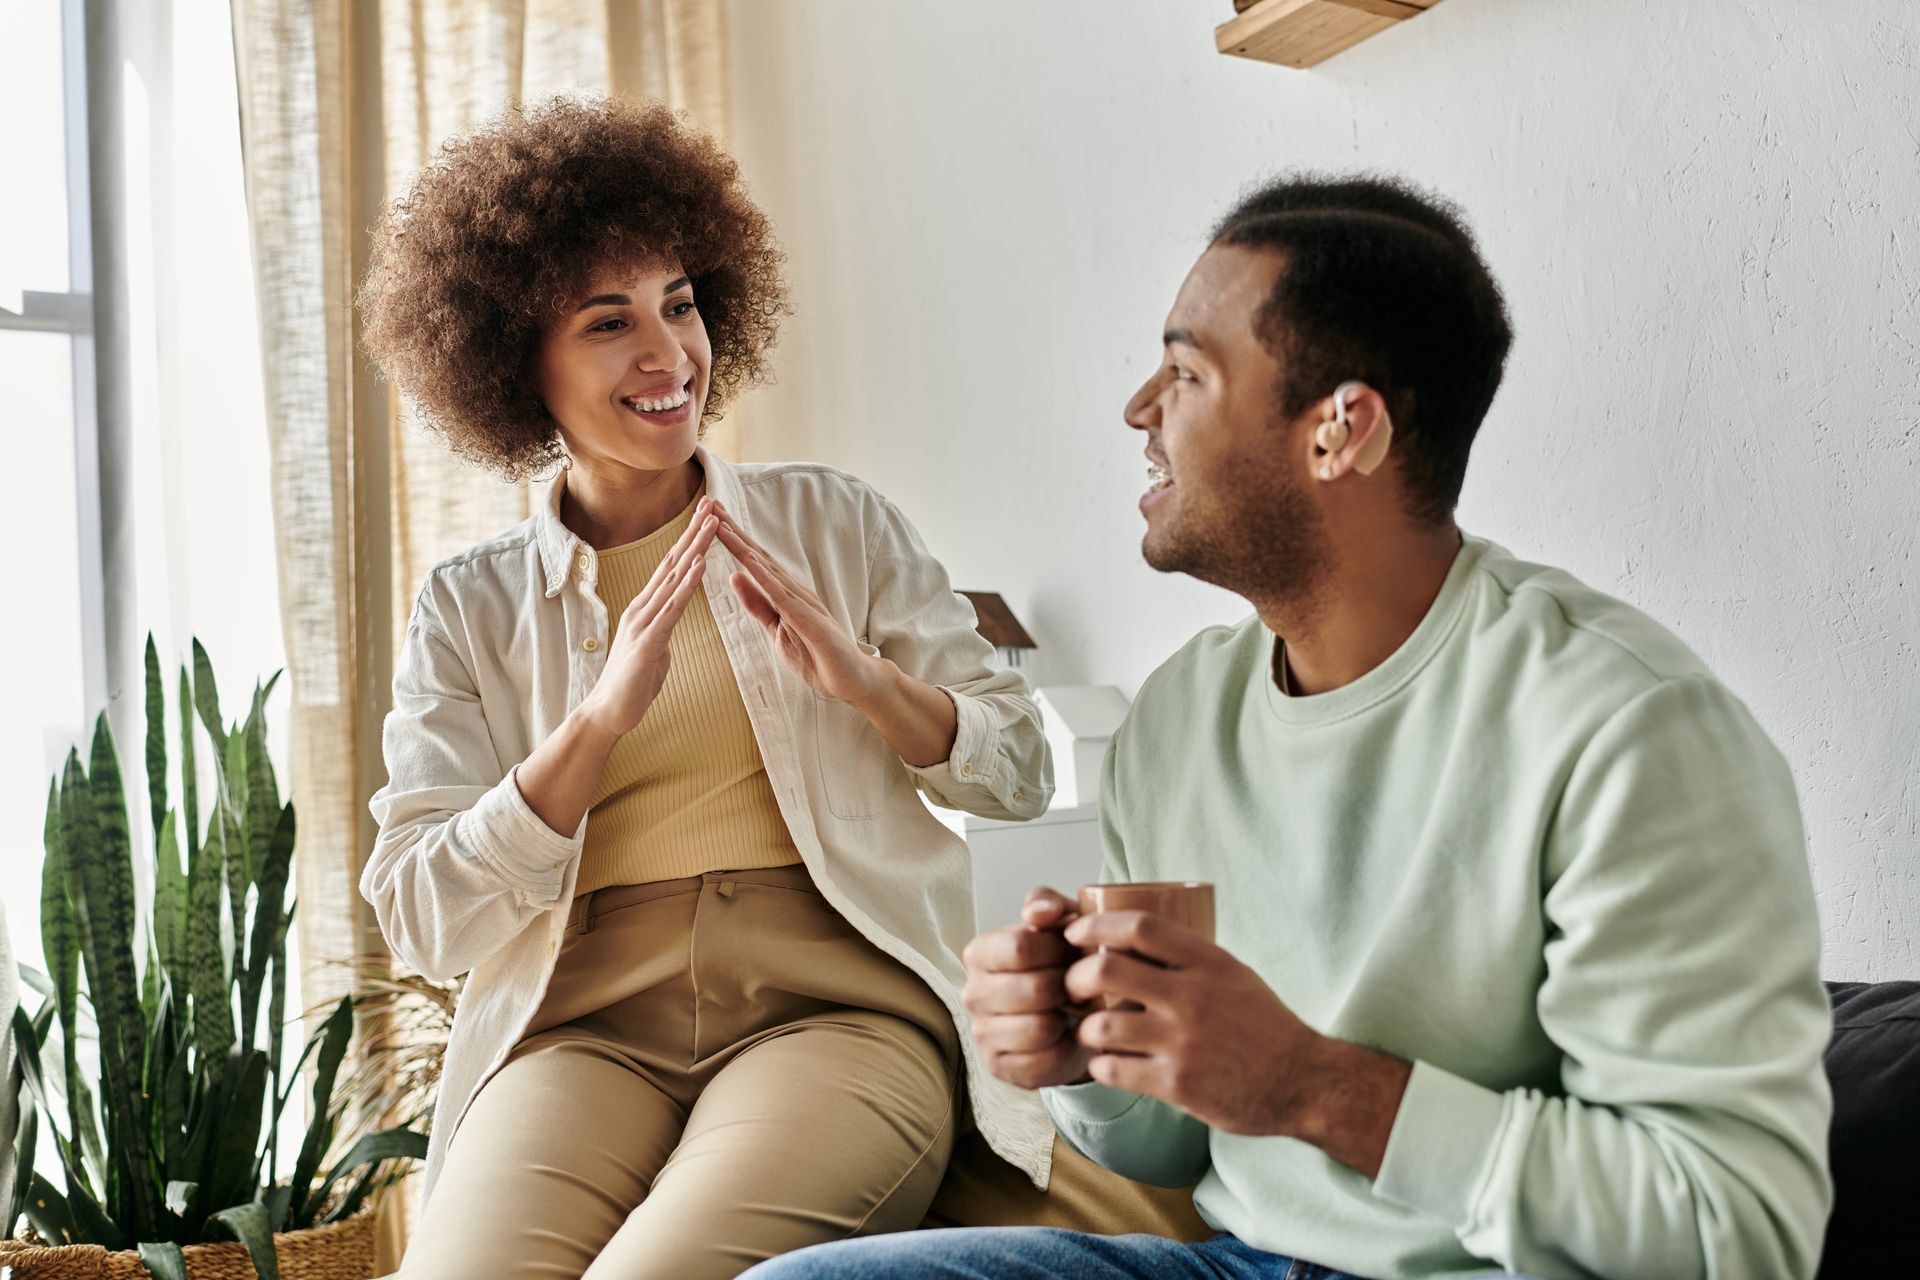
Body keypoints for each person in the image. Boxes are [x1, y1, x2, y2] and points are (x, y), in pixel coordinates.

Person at [745, 176, 1835, 1280]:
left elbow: (1734, 1230)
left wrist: (1316, 1083)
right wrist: (1085, 1051)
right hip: (1246, 1262)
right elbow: (1166, 1144)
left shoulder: (1629, 728)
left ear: (1340, 432)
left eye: (1184, 372)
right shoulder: (1180, 715)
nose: (1138, 410)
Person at [355, 96, 1062, 1280]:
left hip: (835, 1007)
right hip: (582, 1027)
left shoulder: (833, 521)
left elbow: (1022, 766)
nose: (667, 354)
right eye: (607, 320)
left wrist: (874, 686)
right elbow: (423, 914)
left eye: (680, 303)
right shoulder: (470, 604)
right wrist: (593, 726)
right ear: (512, 361)